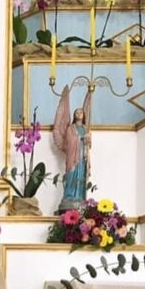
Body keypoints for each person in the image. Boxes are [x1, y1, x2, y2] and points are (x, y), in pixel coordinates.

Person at [53, 84, 92, 212]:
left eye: (81, 112)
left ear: (84, 115)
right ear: (74, 115)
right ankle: (69, 197)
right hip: (73, 157)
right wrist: (81, 138)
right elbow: (69, 140)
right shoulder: (71, 128)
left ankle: (79, 197)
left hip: (82, 158)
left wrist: (88, 138)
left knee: (81, 177)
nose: (79, 113)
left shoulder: (85, 128)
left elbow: (89, 145)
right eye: (77, 112)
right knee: (71, 176)